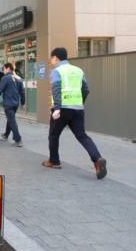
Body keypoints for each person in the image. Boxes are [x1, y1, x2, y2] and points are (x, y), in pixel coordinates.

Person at [42, 47, 107, 179]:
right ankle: (97, 159)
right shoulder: (79, 70)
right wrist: (80, 102)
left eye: (52, 59)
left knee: (54, 135)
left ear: (55, 58)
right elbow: (86, 89)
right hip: (77, 109)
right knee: (82, 136)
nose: (51, 61)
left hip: (62, 109)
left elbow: (56, 89)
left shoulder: (57, 71)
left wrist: (57, 108)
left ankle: (54, 161)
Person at [0, 63, 25, 147]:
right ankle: (6, 135)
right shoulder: (18, 78)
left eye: (4, 69)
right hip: (15, 103)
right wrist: (23, 102)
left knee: (11, 120)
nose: (3, 71)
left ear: (8, 69)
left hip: (8, 103)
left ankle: (18, 140)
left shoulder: (5, 78)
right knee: (10, 119)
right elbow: (22, 91)